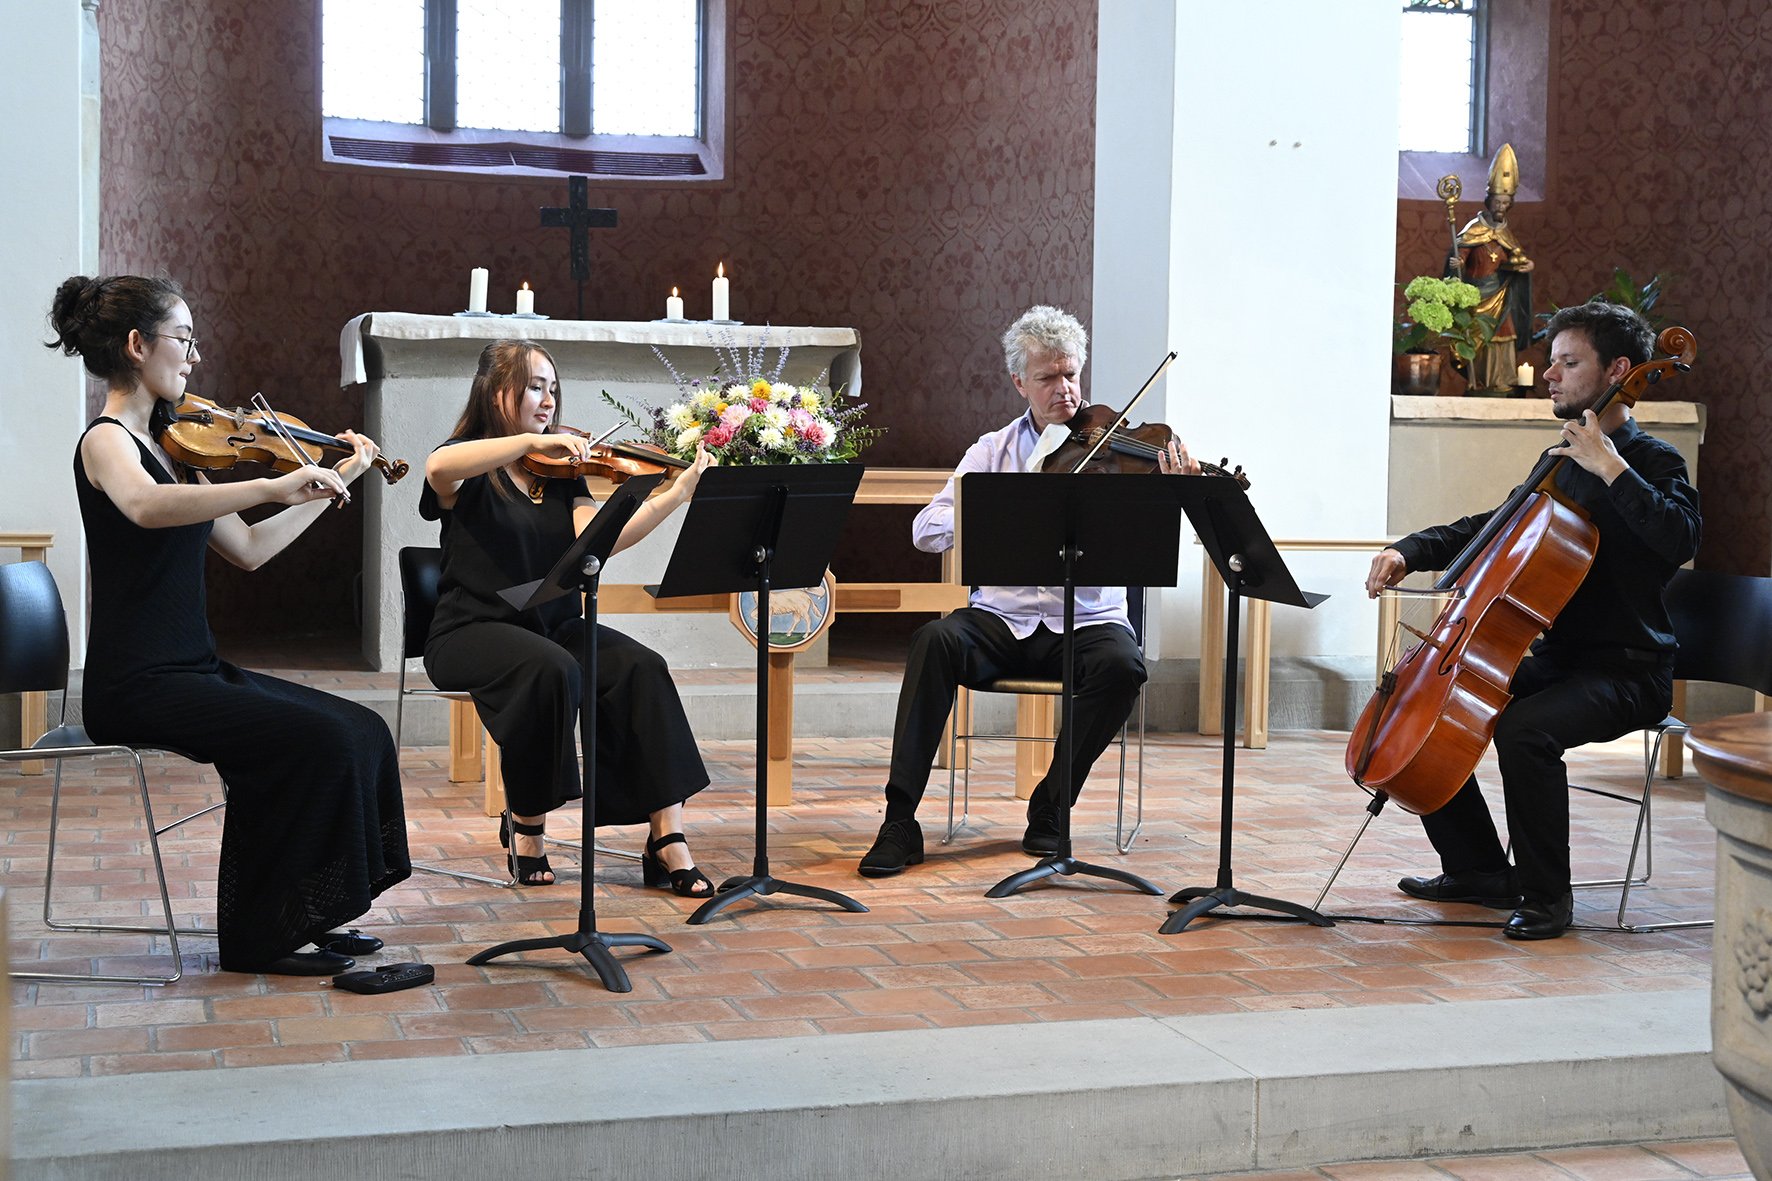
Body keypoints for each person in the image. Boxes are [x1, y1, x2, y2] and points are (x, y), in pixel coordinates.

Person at [49, 274, 411, 977]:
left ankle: (302, 912)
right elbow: (146, 507)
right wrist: (272, 482)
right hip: (136, 684)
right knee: (313, 740)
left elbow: (248, 549)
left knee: (360, 729)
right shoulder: (106, 443)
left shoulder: (178, 448)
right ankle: (259, 935)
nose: (194, 356)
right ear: (136, 344)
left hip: (194, 667)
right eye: (184, 339)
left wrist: (342, 476)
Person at [1364, 301, 1700, 940]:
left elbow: (1680, 537)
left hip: (1630, 669)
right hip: (1566, 660)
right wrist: (1408, 549)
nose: (1550, 376)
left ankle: (1547, 898)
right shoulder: (1562, 458)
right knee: (1438, 707)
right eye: (1552, 364)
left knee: (1524, 730)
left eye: (1568, 364)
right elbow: (1491, 529)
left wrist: (1611, 466)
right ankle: (1479, 872)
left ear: (1618, 371)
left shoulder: (1651, 460)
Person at [859, 305, 1199, 876]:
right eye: (1048, 377)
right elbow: (925, 529)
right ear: (1020, 382)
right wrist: (998, 511)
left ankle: (1051, 806)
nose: (1064, 389)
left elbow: (1154, 540)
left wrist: (1182, 491)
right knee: (933, 641)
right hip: (1001, 622)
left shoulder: (1120, 451)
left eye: (1071, 374)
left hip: (1089, 621)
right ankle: (899, 821)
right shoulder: (992, 451)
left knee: (1124, 667)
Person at [421, 340, 718, 893]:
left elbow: (600, 540)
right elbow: (439, 464)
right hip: (471, 630)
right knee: (551, 670)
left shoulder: (561, 475)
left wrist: (673, 495)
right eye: (535, 386)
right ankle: (528, 826)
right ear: (497, 391)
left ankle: (666, 837)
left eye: (553, 389)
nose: (548, 400)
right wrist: (532, 439)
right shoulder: (468, 466)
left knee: (640, 666)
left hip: (551, 627)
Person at [1449, 143, 1535, 393]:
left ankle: (1503, 381)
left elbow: (1516, 257)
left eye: (1506, 203)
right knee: (1478, 338)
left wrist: (1525, 266)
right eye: (1498, 202)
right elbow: (1462, 251)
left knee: (1504, 333)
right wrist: (1459, 262)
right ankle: (1482, 381)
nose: (1501, 207)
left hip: (1501, 293)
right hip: (1477, 295)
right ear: (1489, 201)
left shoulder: (1506, 233)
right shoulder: (1474, 228)